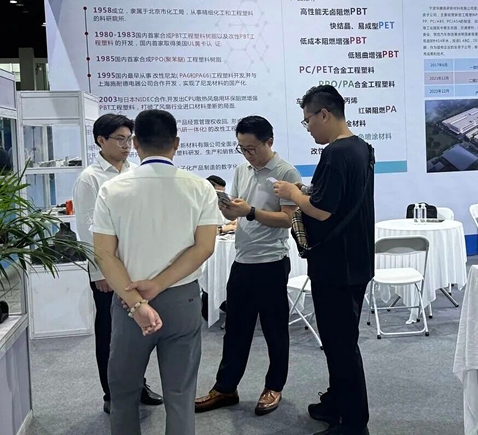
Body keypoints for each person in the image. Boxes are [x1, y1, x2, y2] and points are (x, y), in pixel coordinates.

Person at [91, 109, 219, 435]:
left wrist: (137, 303)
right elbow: (204, 247)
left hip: (129, 300)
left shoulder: (112, 189)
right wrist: (159, 284)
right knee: (181, 394)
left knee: (124, 393)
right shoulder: (200, 188)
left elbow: (104, 254)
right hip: (183, 299)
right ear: (176, 143)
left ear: (135, 143)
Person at [274, 85, 374, 435]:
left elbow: (322, 210)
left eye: (308, 121)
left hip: (336, 266)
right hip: (355, 259)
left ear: (325, 114)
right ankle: (336, 403)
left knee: (340, 345)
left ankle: (353, 422)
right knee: (338, 340)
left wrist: (293, 192)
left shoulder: (335, 153)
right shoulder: (362, 148)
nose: (308, 128)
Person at [195, 115, 301, 417]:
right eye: (241, 148)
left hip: (271, 261)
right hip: (242, 259)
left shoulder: (286, 172)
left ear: (270, 142)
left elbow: (288, 220)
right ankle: (225, 388)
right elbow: (237, 212)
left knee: (274, 329)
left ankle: (274, 386)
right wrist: (227, 207)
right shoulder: (241, 169)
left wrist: (251, 211)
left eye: (252, 148)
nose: (247, 154)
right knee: (235, 329)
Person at [72, 114, 163, 414]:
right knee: (110, 333)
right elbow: (86, 229)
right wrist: (100, 271)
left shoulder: (136, 172)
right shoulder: (90, 178)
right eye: (120, 139)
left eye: (129, 139)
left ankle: (138, 385)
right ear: (101, 140)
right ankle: (111, 393)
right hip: (107, 270)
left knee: (138, 331)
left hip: (136, 267)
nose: (126, 145)